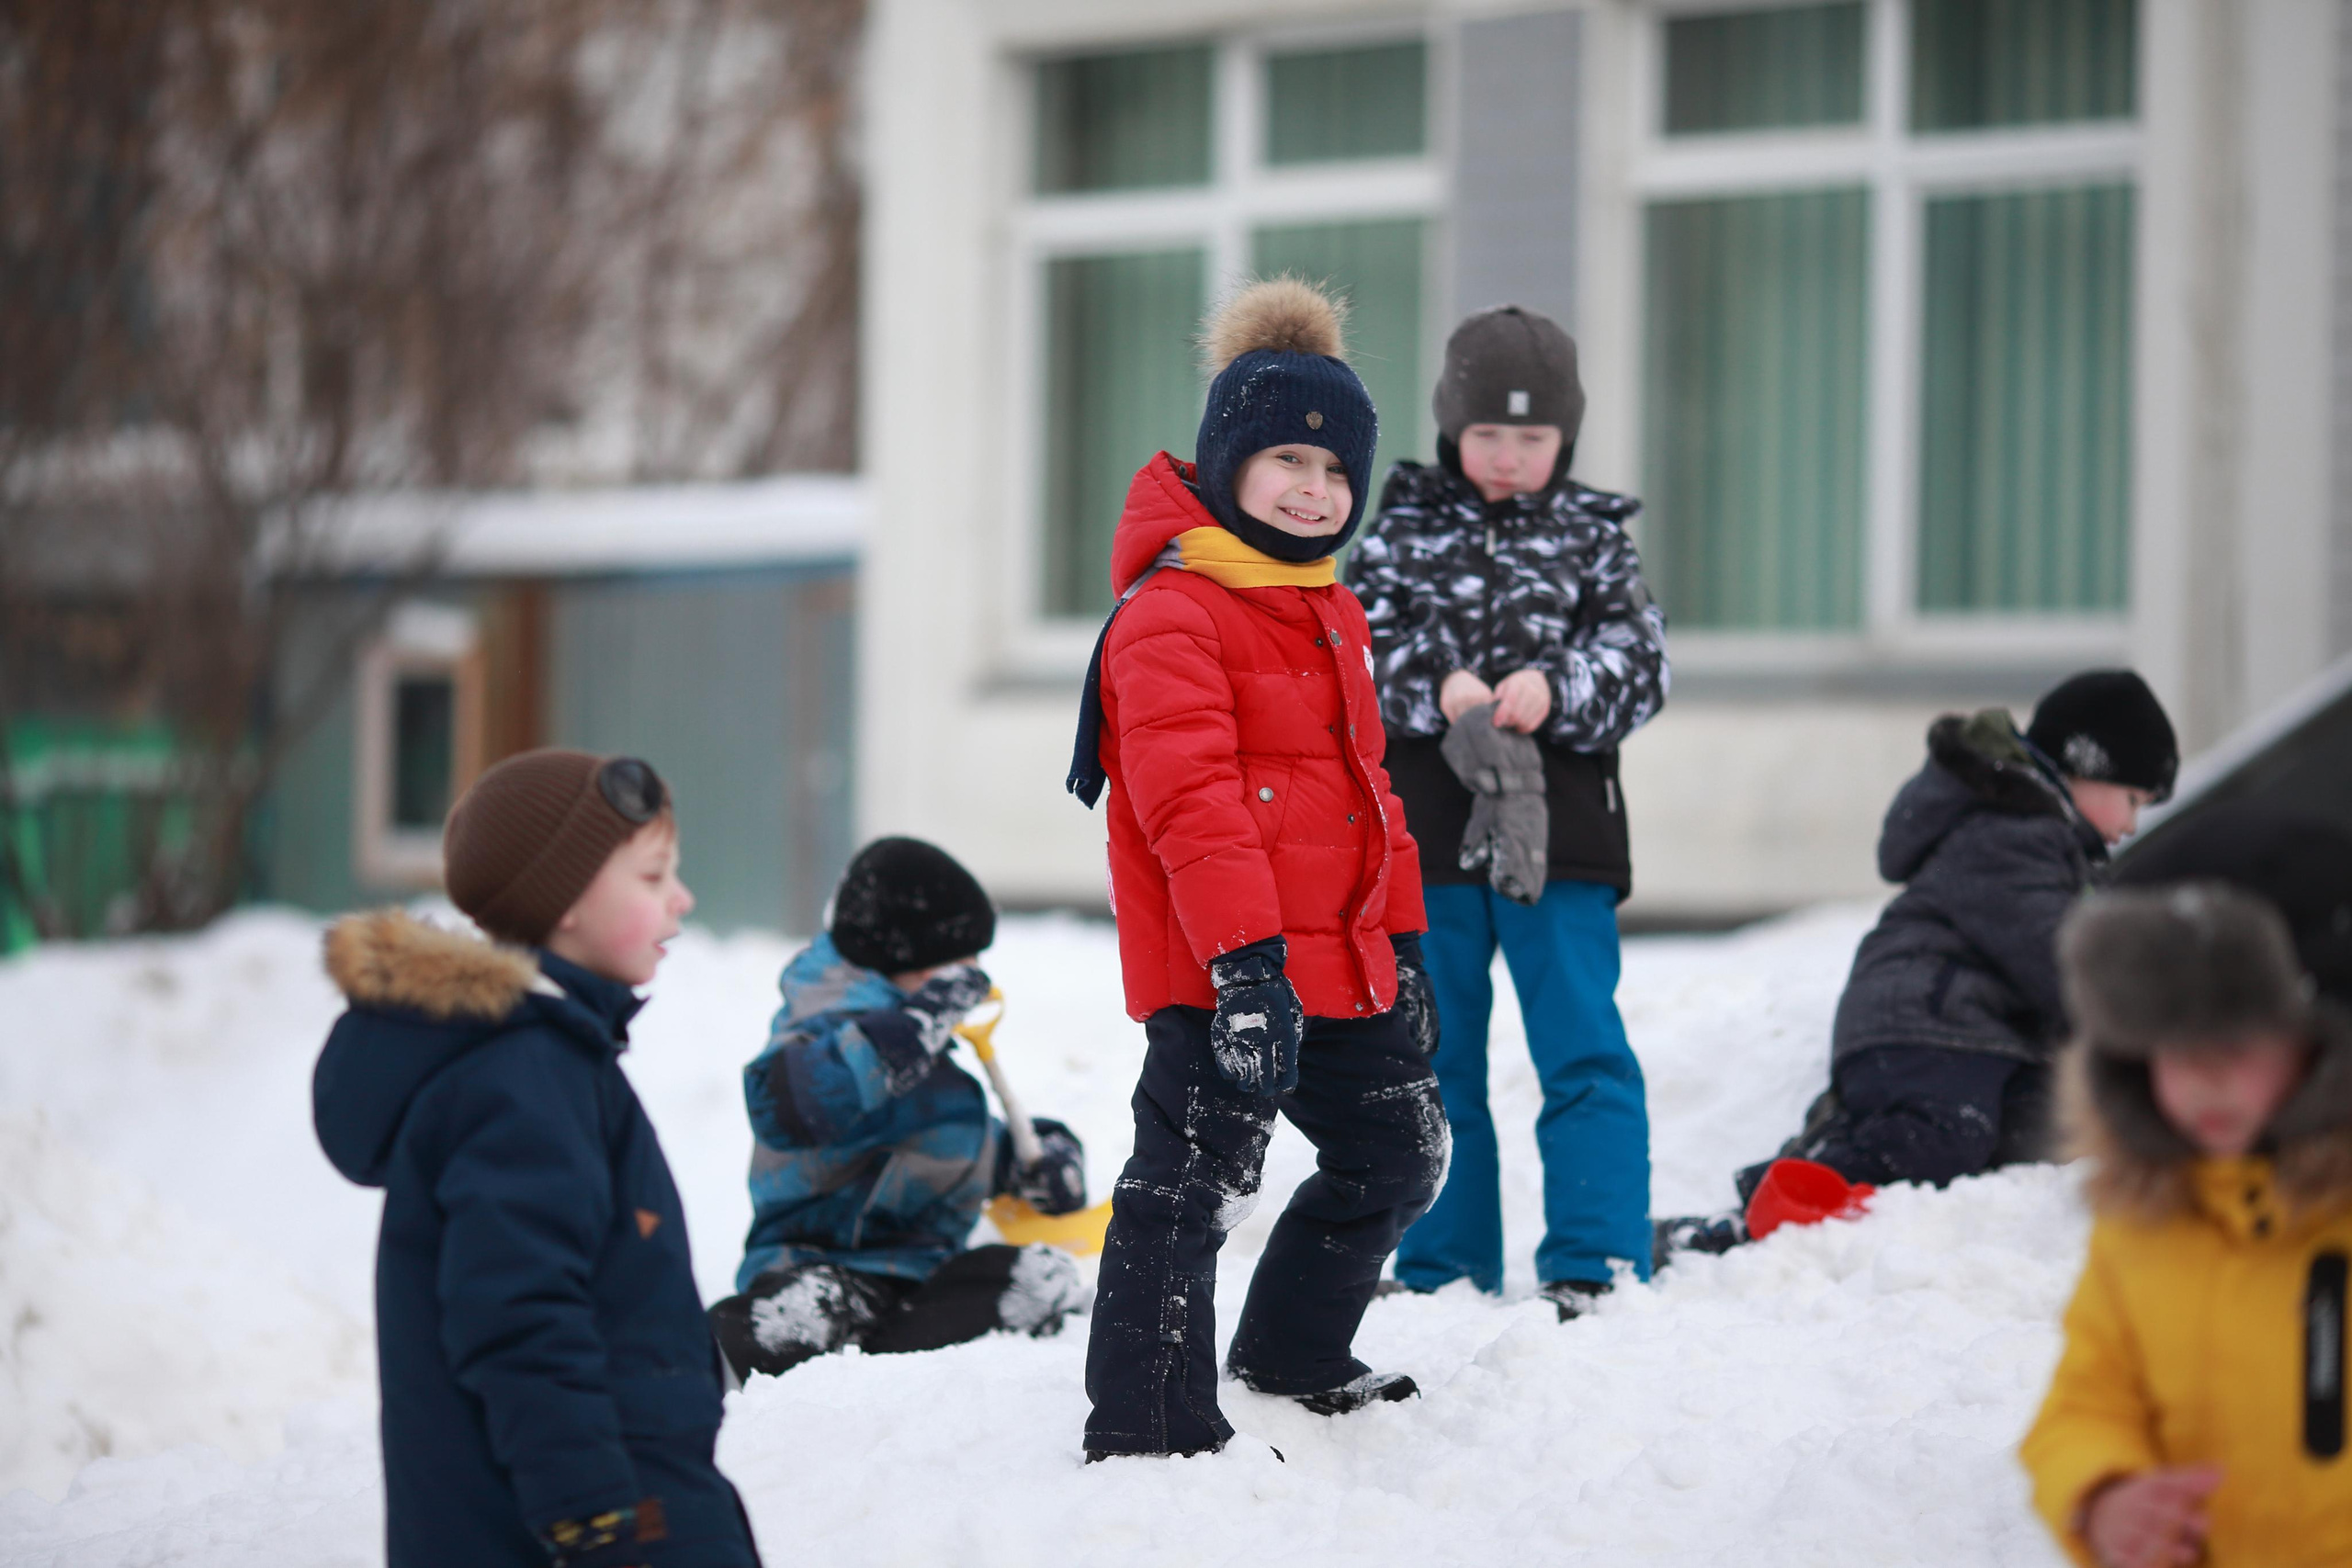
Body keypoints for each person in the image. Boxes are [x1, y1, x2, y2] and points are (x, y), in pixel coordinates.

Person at [1067, 276, 1448, 1460]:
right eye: (1288, 458)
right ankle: (1149, 1422)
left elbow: (1371, 795)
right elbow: (1192, 808)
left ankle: (1292, 1348)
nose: (1313, 487)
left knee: (1399, 1153)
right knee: (1193, 1188)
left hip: (1344, 958)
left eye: (1335, 470)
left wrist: (1404, 944)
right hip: (1221, 968)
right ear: (1228, 459)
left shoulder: (1330, 610)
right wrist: (1244, 969)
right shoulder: (1171, 615)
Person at [312, 750, 761, 1568]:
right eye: (653, 875)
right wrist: (590, 1516)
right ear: (567, 900)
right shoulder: (521, 1076)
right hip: (592, 1525)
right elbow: (519, 1316)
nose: (682, 898)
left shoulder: (548, 1059)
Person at [1346, 305, 1669, 1316]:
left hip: (1563, 839)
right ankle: (1443, 1266)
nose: (1508, 457)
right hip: (1426, 840)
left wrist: (1557, 684)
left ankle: (1595, 1259)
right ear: (1451, 425)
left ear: (1565, 437)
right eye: (1487, 433)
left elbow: (1642, 662)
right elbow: (1352, 649)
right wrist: (1435, 683)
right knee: (1434, 1055)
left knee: (1582, 1047)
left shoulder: (1595, 538)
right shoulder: (1399, 531)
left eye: (1532, 438)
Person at [1663, 672, 2180, 1261]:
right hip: (1921, 1020)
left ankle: (1844, 1163)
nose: (2131, 825)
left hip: (1986, 1036)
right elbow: (2057, 962)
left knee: (2047, 1131)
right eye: (2133, 799)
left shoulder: (2056, 844)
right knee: (1940, 1137)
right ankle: (1767, 1210)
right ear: (2084, 764)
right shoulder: (2012, 834)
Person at [2019, 806, 2352, 1568]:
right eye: (2169, 1044)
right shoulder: (2143, 1228)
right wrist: (2102, 1493)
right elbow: (2086, 1402)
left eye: (2232, 1038)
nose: (2201, 1074)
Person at [706, 837, 1090, 1382]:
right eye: (956, 962)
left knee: (1041, 1280)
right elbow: (785, 1107)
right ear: (902, 957)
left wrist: (1030, 1160)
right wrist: (905, 1035)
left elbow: (950, 1140)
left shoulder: (934, 1065)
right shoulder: (824, 1033)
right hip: (818, 1266)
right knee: (810, 1311)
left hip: (918, 1280)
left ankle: (897, 1370)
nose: (972, 977)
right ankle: (726, 1356)